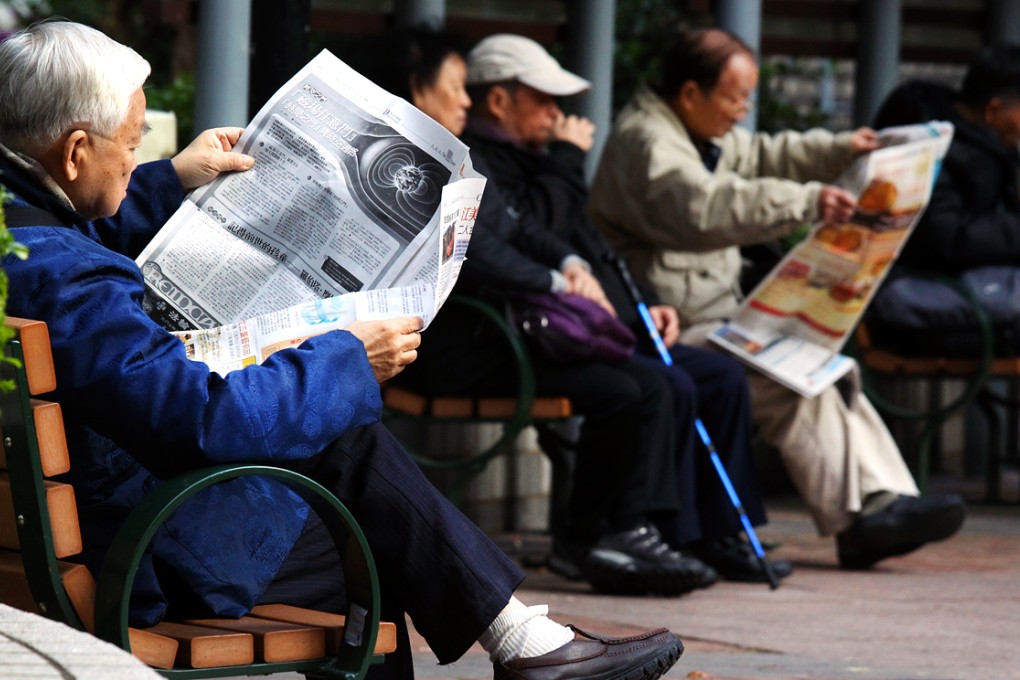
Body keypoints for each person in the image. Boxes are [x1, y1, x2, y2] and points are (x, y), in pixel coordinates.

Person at [0, 20, 685, 680]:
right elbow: (202, 422)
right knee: (360, 509)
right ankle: (524, 642)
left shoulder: (20, 233)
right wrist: (347, 359)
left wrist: (172, 177)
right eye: (131, 141)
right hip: (131, 556)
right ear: (75, 152)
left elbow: (74, 236)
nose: (138, 153)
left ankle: (527, 644)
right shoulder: (66, 280)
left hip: (60, 536)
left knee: (361, 495)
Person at [588, 26, 967, 570]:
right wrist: (808, 201)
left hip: (715, 315)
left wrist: (845, 148)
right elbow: (705, 206)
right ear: (691, 93)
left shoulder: (698, 131)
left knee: (826, 366)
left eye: (747, 97)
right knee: (787, 381)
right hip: (667, 323)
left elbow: (769, 153)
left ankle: (884, 501)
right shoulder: (647, 143)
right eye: (734, 97)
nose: (742, 111)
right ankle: (862, 518)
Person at [366, 26, 722, 596]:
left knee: (644, 384)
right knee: (632, 390)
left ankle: (609, 533)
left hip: (495, 337)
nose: (465, 99)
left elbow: (518, 228)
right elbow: (481, 255)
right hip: (456, 347)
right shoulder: (407, 164)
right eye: (455, 87)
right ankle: (603, 535)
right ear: (416, 89)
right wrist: (560, 279)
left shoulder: (455, 157)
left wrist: (570, 264)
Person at [866, 44, 1020, 356]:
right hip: (918, 287)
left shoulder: (988, 146)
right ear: (993, 110)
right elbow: (945, 237)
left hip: (955, 282)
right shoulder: (930, 144)